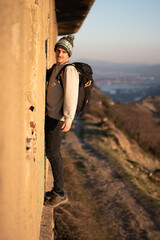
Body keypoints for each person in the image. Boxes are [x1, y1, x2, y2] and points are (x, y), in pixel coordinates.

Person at [44, 35, 79, 208]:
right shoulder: (56, 68)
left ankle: (60, 193)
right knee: (51, 152)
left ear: (68, 54)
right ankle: (57, 190)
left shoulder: (68, 70)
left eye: (64, 52)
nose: (60, 54)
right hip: (50, 115)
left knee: (53, 153)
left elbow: (71, 96)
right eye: (58, 50)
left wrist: (69, 118)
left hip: (58, 118)